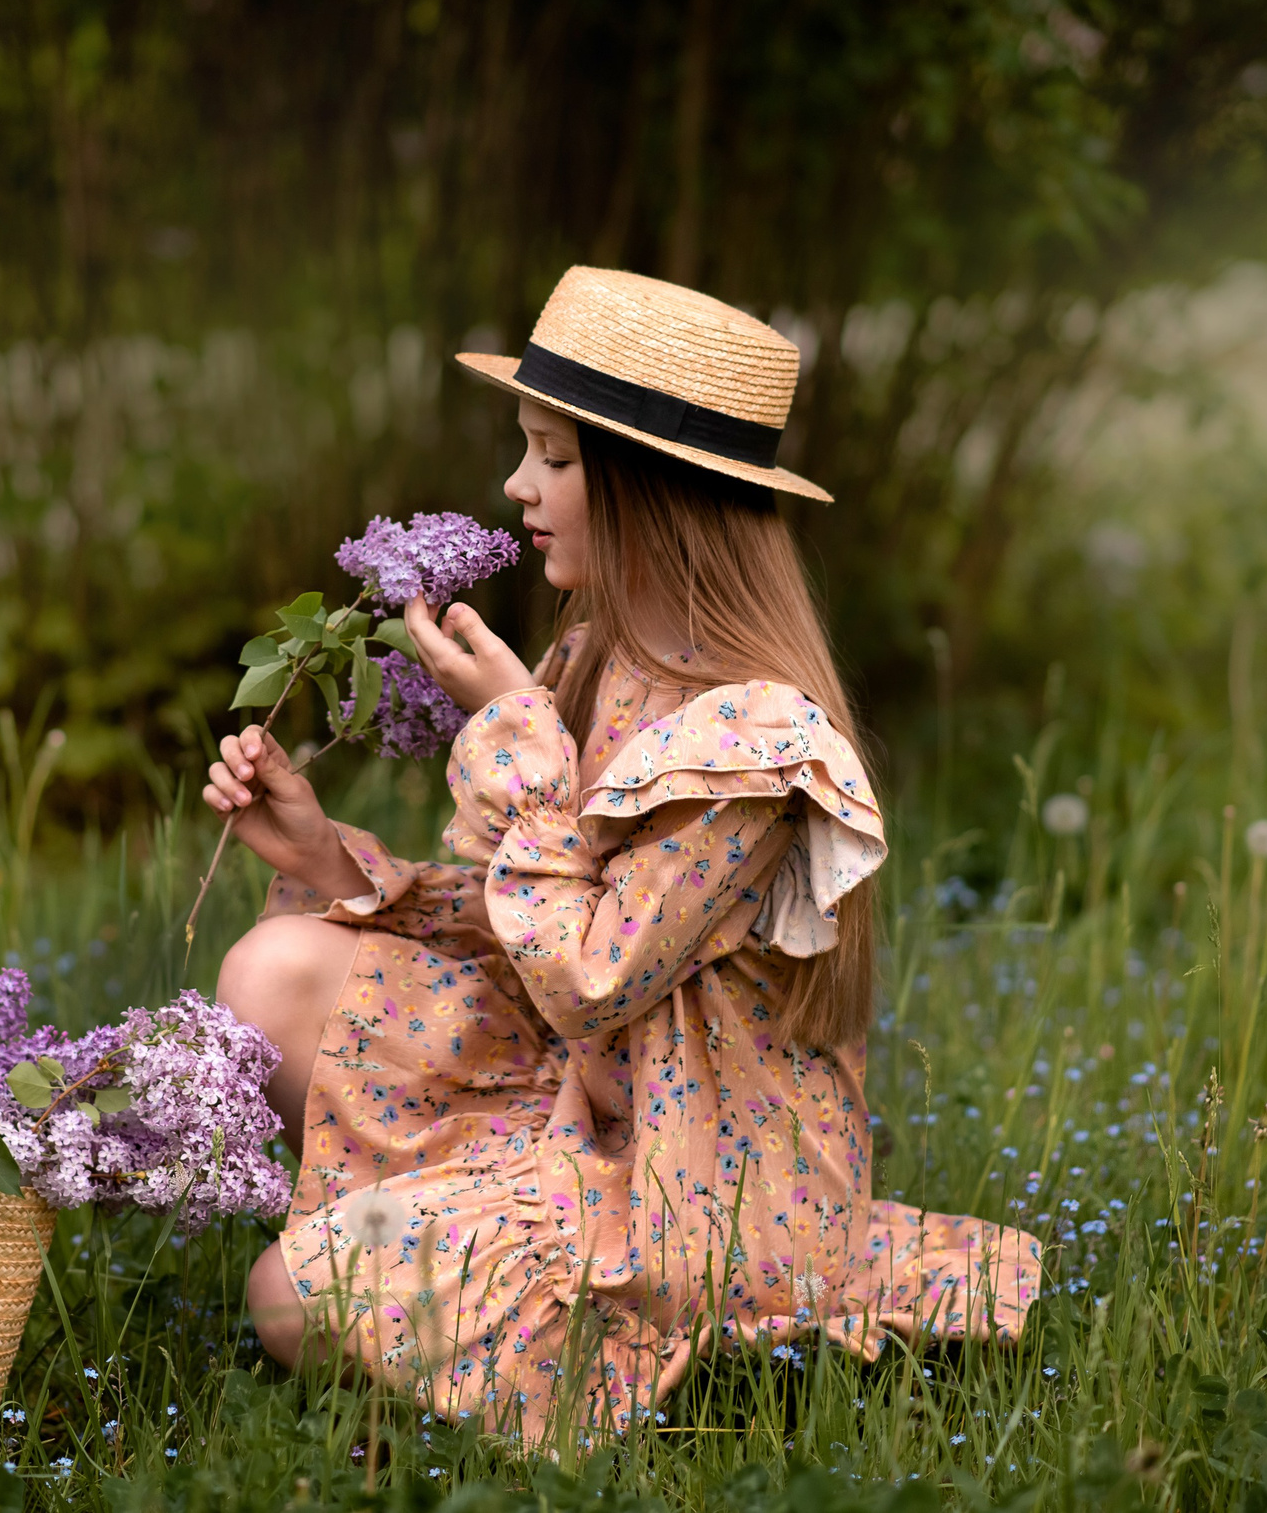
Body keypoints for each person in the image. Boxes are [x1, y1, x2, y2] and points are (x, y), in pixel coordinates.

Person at [202, 266, 1038, 1443]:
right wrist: (330, 863)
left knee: (287, 1300)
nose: (517, 485)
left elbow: (588, 975)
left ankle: (678, 1344)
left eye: (552, 457)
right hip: (579, 1104)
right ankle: (436, 1239)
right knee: (276, 965)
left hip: (694, 1188)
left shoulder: (752, 742)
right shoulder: (599, 658)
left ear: (650, 491)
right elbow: (520, 923)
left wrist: (515, 736)